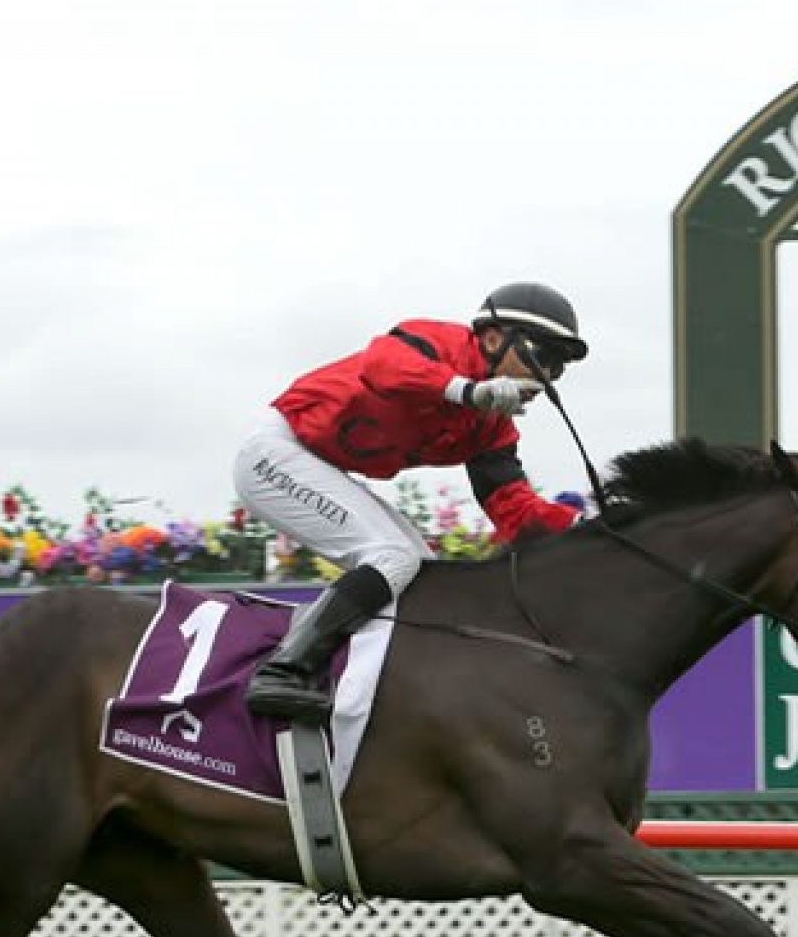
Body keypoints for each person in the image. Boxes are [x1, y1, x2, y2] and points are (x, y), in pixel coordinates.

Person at [233, 281, 589, 723]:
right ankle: (282, 671)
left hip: (321, 467)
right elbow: (383, 364)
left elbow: (514, 512)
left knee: (423, 576)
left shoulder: (492, 428)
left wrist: (588, 524)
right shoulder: (441, 342)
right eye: (544, 357)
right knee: (394, 557)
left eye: (559, 368)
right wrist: (466, 391)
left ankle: (359, 690)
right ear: (495, 338)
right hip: (276, 452)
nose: (547, 377)